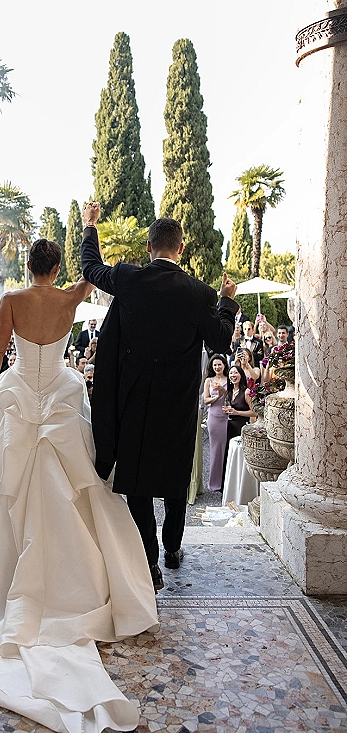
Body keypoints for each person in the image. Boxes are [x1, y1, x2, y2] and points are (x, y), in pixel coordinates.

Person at [0, 238, 159, 733]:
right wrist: (91, 233)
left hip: (22, 396)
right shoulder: (70, 298)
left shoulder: (11, 302)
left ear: (27, 266)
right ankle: (80, 583)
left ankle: (5, 587)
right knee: (81, 492)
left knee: (5, 498)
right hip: (60, 398)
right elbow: (97, 273)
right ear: (58, 266)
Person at [81, 205, 238, 590]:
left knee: (136, 483)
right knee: (173, 480)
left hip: (134, 403)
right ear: (180, 249)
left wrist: (89, 227)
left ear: (149, 247)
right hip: (178, 407)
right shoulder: (198, 293)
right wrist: (227, 302)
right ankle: (172, 548)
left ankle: (149, 560)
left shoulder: (129, 279)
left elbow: (91, 268)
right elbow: (220, 339)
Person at [203, 354, 229, 492]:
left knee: (225, 449)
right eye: (215, 365)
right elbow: (205, 400)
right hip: (213, 416)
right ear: (212, 367)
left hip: (226, 415)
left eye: (219, 364)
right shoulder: (209, 380)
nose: (217, 367)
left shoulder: (229, 379)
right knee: (214, 449)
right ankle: (214, 483)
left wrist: (222, 391)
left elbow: (230, 396)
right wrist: (216, 397)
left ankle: (225, 481)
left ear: (224, 365)